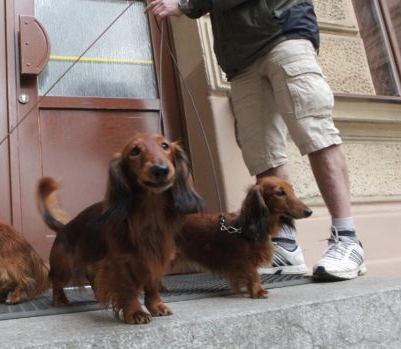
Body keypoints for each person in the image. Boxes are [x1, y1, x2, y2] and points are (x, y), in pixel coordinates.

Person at [145, 0, 366, 280]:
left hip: (282, 34)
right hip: (240, 58)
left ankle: (347, 239)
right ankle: (284, 245)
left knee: (315, 134)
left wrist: (185, 4)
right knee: (263, 153)